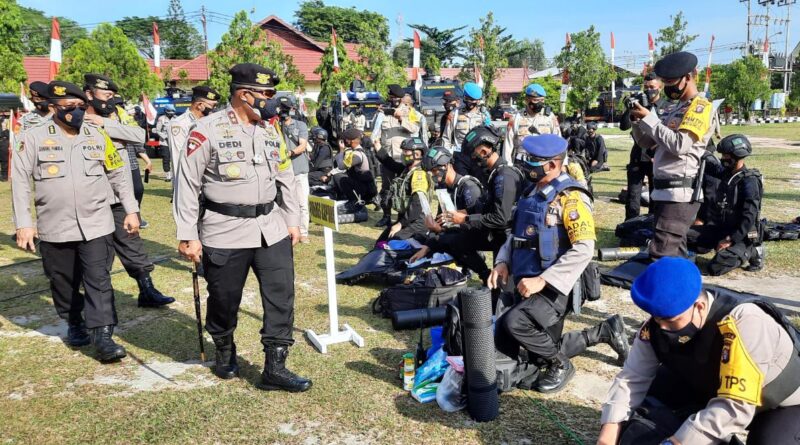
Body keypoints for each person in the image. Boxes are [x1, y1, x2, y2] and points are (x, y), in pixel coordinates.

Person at [174, 63, 311, 392]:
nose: (271, 100)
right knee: (223, 298)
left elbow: (286, 179)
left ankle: (275, 367)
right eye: (267, 94)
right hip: (224, 229)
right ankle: (224, 349)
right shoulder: (206, 130)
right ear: (244, 94)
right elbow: (187, 185)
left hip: (270, 227)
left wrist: (292, 221)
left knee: (281, 297)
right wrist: (187, 234)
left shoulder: (269, 130)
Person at [598, 257, 800, 445]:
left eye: (670, 320)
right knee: (653, 392)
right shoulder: (657, 324)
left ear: (700, 307)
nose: (662, 328)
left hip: (779, 404)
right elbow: (632, 378)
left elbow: (736, 405)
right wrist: (609, 433)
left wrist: (676, 442)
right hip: (716, 388)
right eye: (656, 318)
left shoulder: (744, 322)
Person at [489, 134, 628, 394]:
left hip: (556, 288)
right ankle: (604, 331)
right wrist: (502, 262)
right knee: (531, 348)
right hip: (525, 282)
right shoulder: (532, 191)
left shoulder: (571, 198)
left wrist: (544, 280)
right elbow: (515, 235)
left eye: (532, 160)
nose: (525, 165)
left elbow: (584, 249)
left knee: (516, 324)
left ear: (553, 165)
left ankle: (560, 364)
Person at [12, 81, 140, 362]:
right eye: (69, 108)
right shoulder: (32, 137)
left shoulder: (97, 134)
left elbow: (117, 173)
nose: (76, 113)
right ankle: (74, 322)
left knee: (99, 279)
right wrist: (24, 223)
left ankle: (104, 335)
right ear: (54, 108)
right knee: (62, 280)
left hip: (97, 222)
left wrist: (131, 210)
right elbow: (20, 182)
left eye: (80, 107)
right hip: (55, 225)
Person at [83, 74, 174, 308]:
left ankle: (147, 289)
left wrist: (107, 124)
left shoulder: (115, 116)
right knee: (97, 253)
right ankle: (95, 304)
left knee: (132, 243)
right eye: (106, 95)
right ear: (89, 94)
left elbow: (138, 135)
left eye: (112, 96)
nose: (110, 100)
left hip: (119, 194)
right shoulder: (75, 118)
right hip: (89, 198)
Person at [630, 51, 713, 259]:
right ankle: (687, 291)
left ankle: (669, 292)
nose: (668, 87)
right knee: (676, 256)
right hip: (664, 192)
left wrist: (651, 120)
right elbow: (648, 143)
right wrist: (637, 121)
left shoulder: (700, 107)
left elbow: (680, 145)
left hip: (679, 194)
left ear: (688, 77)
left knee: (662, 256)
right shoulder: (675, 109)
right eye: (664, 82)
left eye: (671, 82)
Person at [435, 126, 524, 283]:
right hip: (497, 235)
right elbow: (491, 208)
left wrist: (465, 219)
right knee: (456, 241)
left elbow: (500, 218)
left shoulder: (504, 176)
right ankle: (485, 275)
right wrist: (465, 214)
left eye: (473, 156)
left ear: (484, 152)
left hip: (507, 239)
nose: (472, 161)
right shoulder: (495, 174)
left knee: (503, 294)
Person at [688, 134, 764, 276]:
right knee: (683, 235)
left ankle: (752, 250)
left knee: (716, 267)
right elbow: (710, 163)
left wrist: (731, 239)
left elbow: (749, 217)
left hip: (740, 235)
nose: (723, 159)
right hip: (719, 228)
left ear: (736, 156)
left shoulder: (749, 182)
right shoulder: (725, 173)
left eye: (726, 155)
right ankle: (705, 247)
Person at [408, 145, 485, 261]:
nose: (433, 175)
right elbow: (442, 222)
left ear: (446, 166)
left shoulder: (469, 188)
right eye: (430, 172)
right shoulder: (444, 189)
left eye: (434, 171)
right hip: (451, 235)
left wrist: (439, 230)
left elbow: (476, 226)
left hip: (469, 243)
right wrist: (426, 247)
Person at [371, 84, 421, 227]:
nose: (394, 101)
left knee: (403, 188)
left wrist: (401, 119)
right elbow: (376, 133)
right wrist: (377, 146)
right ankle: (386, 216)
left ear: (402, 98)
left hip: (404, 158)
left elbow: (414, 129)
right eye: (391, 98)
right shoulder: (382, 113)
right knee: (386, 188)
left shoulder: (410, 112)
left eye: (396, 99)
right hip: (387, 157)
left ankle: (401, 217)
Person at [625, 72, 668, 221]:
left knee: (654, 195)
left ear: (660, 87)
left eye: (652, 87)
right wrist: (629, 109)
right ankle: (630, 226)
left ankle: (650, 225)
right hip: (638, 155)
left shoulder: (667, 107)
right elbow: (624, 126)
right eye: (646, 87)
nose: (649, 90)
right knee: (633, 195)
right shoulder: (639, 104)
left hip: (655, 157)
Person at [374, 136, 432, 242]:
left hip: (416, 222)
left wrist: (400, 224)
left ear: (417, 154)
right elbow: (390, 163)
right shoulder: (406, 170)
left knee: (392, 243)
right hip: (405, 219)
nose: (403, 154)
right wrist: (378, 147)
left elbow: (417, 204)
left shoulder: (419, 175)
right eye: (403, 151)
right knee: (381, 242)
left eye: (406, 152)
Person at [167, 85, 219, 186]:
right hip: (189, 182)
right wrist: (183, 186)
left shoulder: (209, 122)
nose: (215, 109)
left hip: (208, 181)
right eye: (213, 106)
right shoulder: (180, 124)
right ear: (200, 105)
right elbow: (178, 158)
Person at [445, 82, 492, 183]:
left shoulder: (484, 115)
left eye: (473, 100)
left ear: (478, 101)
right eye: (468, 99)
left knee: (480, 184)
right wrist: (447, 158)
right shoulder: (454, 114)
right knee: (461, 184)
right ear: (464, 98)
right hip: (460, 156)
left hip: (478, 157)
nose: (470, 103)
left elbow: (490, 137)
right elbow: (446, 138)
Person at [279, 96, 311, 243]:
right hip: (280, 171)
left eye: (286, 108)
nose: (283, 111)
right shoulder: (274, 125)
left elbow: (302, 145)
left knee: (302, 203)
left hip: (298, 169)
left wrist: (289, 154)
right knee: (283, 202)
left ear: (292, 109)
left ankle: (303, 232)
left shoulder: (300, 125)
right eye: (281, 108)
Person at [504, 83, 560, 164]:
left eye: (542, 100)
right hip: (522, 163)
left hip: (544, 163)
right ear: (527, 100)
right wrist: (507, 167)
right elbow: (508, 145)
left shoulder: (549, 117)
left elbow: (558, 141)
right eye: (536, 100)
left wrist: (561, 164)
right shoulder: (516, 118)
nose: (539, 103)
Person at [327, 127, 378, 211]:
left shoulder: (357, 154)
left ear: (353, 140)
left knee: (338, 177)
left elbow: (341, 166)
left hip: (364, 188)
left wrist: (341, 150)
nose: (345, 141)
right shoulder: (359, 151)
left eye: (346, 139)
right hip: (365, 185)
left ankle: (353, 201)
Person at [155, 104, 177, 181]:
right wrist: (165, 137)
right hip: (164, 143)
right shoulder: (161, 119)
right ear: (166, 111)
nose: (171, 113)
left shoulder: (176, 119)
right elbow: (157, 130)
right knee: (166, 158)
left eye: (172, 111)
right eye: (169, 111)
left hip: (174, 142)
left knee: (175, 158)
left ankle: (175, 174)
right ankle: (168, 175)